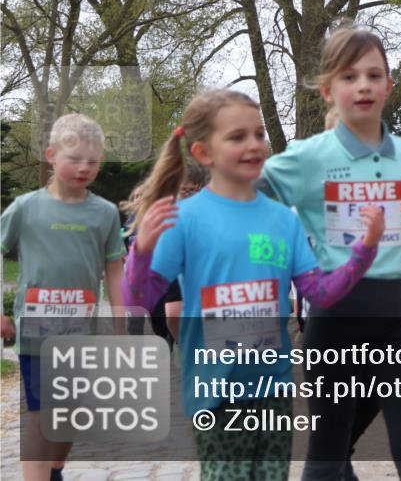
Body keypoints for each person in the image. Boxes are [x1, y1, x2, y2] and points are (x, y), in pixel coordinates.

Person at [121, 89, 381, 481]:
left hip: (274, 391)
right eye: (237, 136)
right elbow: (138, 298)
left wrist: (365, 249)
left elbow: (320, 293)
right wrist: (140, 252)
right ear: (203, 152)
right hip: (216, 394)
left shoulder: (284, 220)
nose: (254, 144)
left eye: (259, 134)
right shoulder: (185, 218)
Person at [257, 24, 401, 481]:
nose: (363, 85)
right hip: (333, 325)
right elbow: (242, 201)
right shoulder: (306, 158)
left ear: (388, 86)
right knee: (328, 451)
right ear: (327, 90)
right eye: (349, 76)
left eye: (374, 75)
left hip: (396, 323)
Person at [1, 113, 126, 481]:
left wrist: (122, 323)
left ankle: (54, 469)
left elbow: (114, 270)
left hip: (80, 334)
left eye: (93, 161)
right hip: (36, 333)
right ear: (51, 155)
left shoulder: (105, 213)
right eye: (75, 159)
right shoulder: (26, 208)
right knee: (41, 416)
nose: (84, 167)